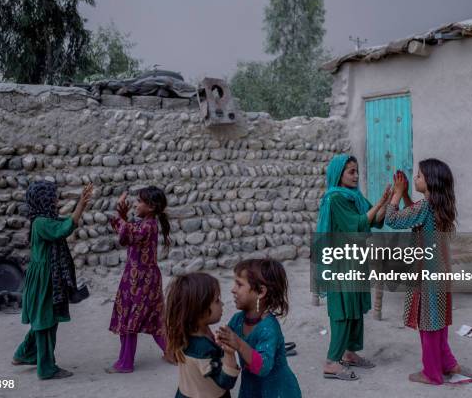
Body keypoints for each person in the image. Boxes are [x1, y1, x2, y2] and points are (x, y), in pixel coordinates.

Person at [385, 160, 471, 385]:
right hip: (441, 270)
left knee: (428, 324)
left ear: (431, 182)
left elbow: (391, 219)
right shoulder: (438, 206)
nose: (415, 178)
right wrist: (406, 197)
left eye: (420, 176)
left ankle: (431, 373)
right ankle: (449, 364)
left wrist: (397, 194)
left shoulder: (424, 207)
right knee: (438, 321)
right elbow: (416, 216)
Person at [316, 154, 390, 380]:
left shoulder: (354, 196)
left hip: (355, 258)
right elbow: (356, 224)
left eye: (357, 171)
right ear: (339, 174)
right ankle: (331, 361)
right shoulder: (335, 198)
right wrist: (379, 203)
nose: (356, 175)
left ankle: (349, 353)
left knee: (355, 306)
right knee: (342, 309)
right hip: (340, 261)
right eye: (351, 171)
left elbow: (375, 220)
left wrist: (389, 200)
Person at [12, 181, 93, 379]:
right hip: (45, 279)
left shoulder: (43, 220)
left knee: (43, 318)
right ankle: (46, 368)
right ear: (44, 200)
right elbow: (63, 229)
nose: (56, 200)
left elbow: (62, 224)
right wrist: (80, 205)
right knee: (46, 321)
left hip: (46, 276)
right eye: (52, 197)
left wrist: (78, 207)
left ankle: (24, 354)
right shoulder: (41, 223)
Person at [106, 186, 172, 373]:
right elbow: (127, 236)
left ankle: (125, 363)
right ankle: (172, 353)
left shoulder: (148, 226)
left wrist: (120, 216)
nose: (136, 204)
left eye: (140, 201)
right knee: (152, 318)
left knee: (130, 320)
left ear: (150, 207)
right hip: (139, 278)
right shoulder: (147, 223)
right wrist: (123, 217)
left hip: (140, 281)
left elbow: (128, 235)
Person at [216, 259, 301, 398]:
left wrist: (238, 344)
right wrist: (221, 340)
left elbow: (263, 367)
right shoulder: (237, 320)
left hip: (277, 391)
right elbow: (226, 343)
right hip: (251, 388)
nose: (232, 289)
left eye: (239, 284)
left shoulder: (269, 327)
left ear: (261, 291)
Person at [166, 273, 239, 398]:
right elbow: (226, 382)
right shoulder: (202, 349)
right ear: (200, 310)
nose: (222, 304)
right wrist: (230, 353)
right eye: (217, 301)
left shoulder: (185, 331)